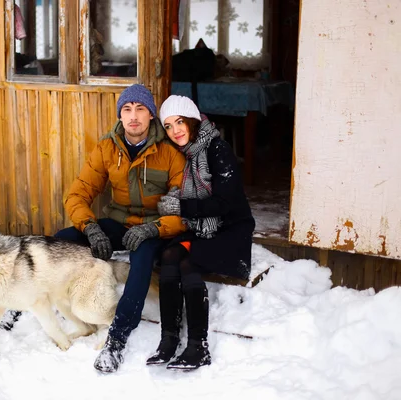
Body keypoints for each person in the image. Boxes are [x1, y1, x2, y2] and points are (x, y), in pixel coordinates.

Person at [55, 84, 187, 373]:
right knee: (62, 240)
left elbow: (185, 209)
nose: (133, 116)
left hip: (152, 229)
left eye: (140, 109)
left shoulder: (169, 153)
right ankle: (41, 299)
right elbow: (78, 194)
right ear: (120, 115)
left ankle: (118, 336)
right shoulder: (107, 147)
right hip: (117, 223)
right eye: (127, 109)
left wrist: (153, 230)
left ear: (151, 115)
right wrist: (90, 227)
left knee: (140, 266)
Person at [145, 95, 255, 371]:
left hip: (230, 229)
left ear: (192, 120)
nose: (175, 130)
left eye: (179, 122)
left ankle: (198, 346)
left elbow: (226, 203)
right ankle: (168, 340)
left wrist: (183, 206)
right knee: (169, 255)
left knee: (187, 261)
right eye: (168, 126)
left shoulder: (217, 149)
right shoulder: (180, 154)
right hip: (201, 227)